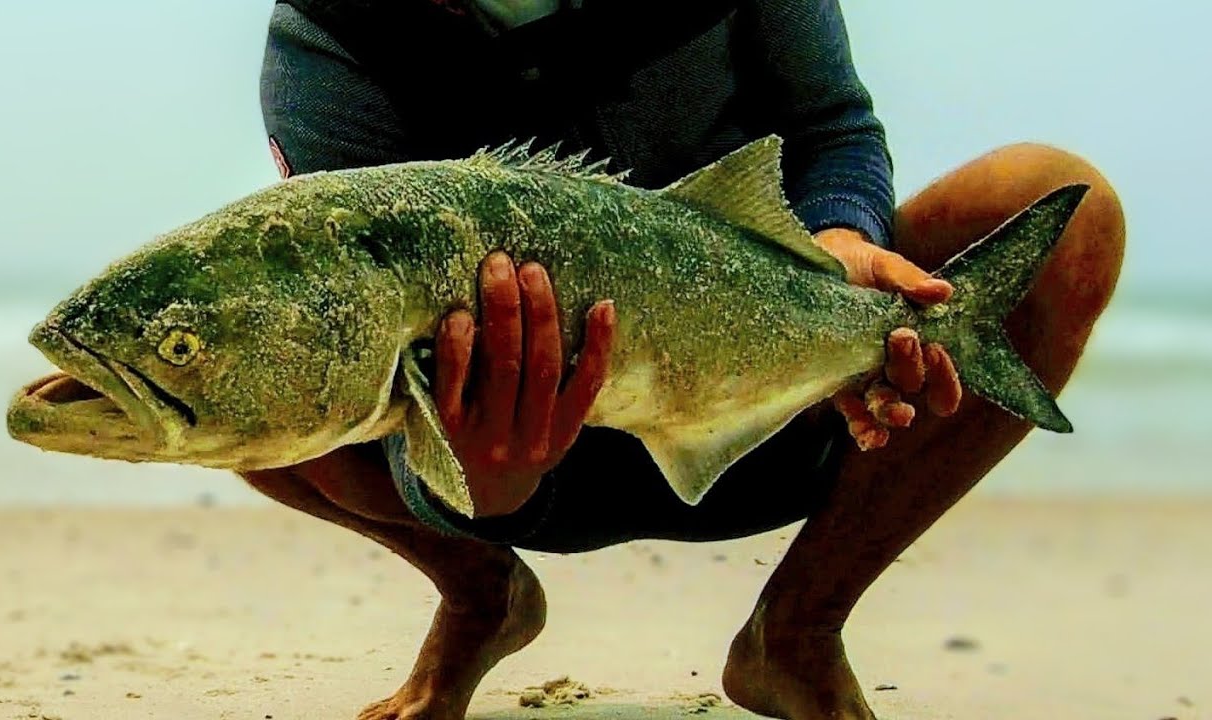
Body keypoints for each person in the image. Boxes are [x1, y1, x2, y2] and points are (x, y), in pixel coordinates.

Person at [245, 2, 1126, 719]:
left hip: (780, 408)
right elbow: (374, 357)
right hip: (498, 476)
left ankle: (799, 629)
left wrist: (842, 243)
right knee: (235, 352)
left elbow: (832, 125)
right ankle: (482, 596)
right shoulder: (330, 33)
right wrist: (482, 486)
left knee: (1055, 203)